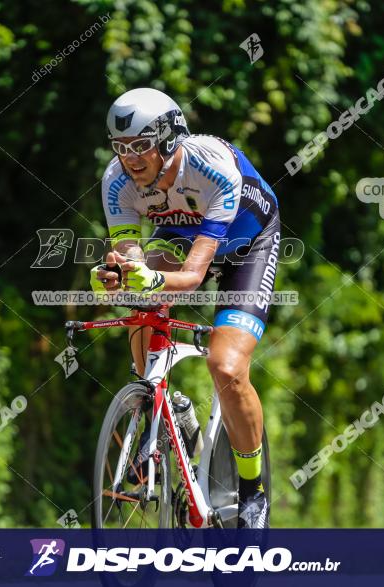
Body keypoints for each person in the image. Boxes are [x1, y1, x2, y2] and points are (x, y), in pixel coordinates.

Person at [89, 88, 280, 529]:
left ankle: (253, 490)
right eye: (120, 148)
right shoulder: (115, 181)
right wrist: (118, 274)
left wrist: (152, 278)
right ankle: (157, 400)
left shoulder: (212, 168)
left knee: (227, 367)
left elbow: (193, 277)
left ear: (170, 139)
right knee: (140, 295)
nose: (130, 159)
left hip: (248, 245)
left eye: (141, 145)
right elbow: (132, 258)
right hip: (180, 236)